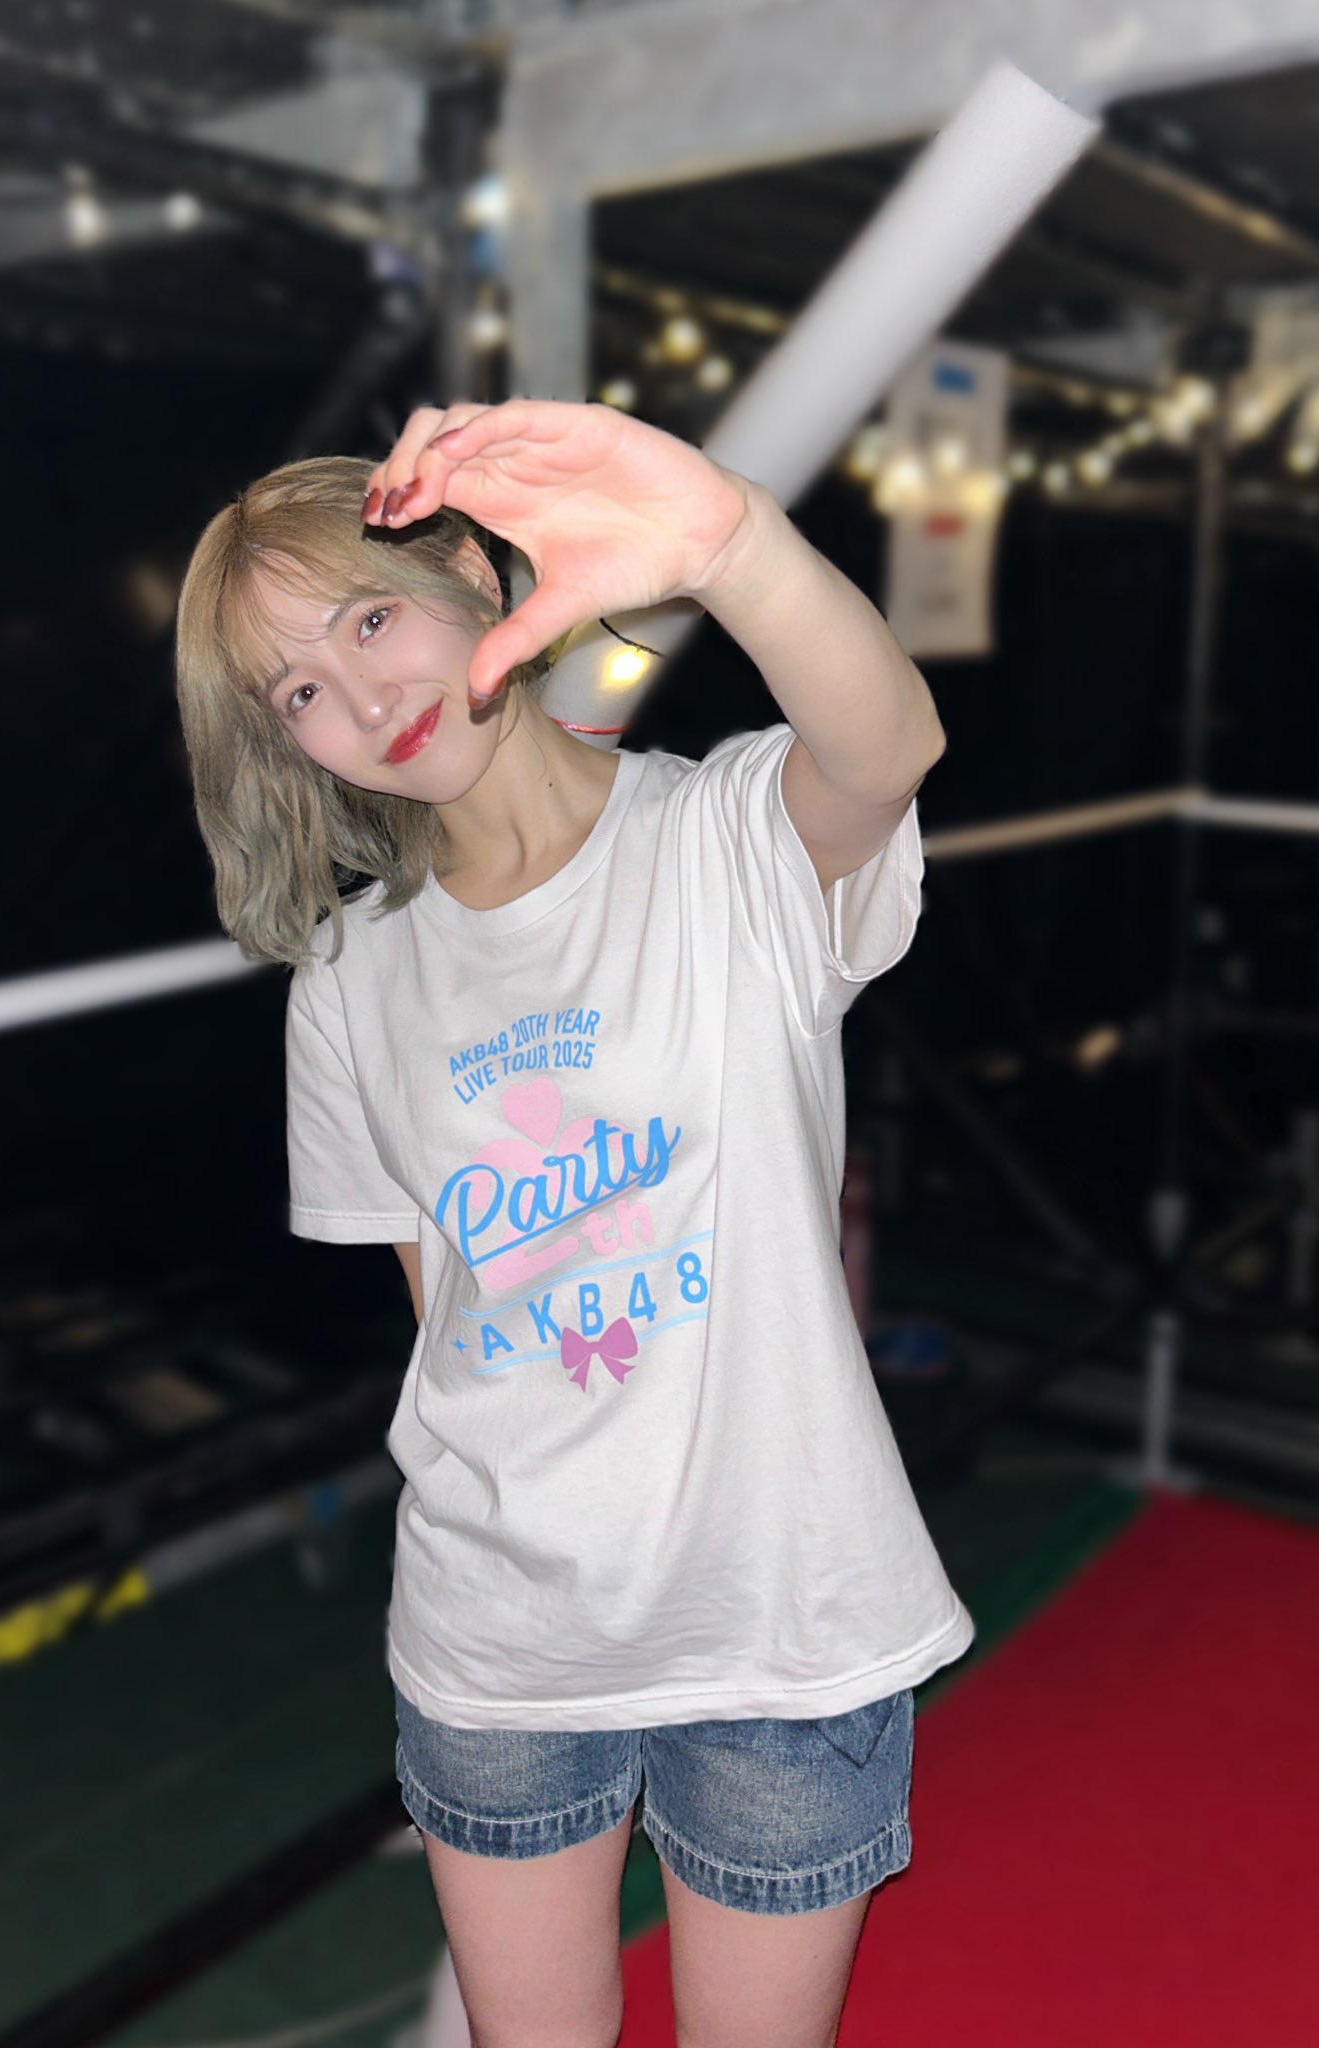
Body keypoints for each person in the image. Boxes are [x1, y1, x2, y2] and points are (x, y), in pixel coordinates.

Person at [175, 399, 974, 2048]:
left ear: (476, 573)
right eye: (297, 690)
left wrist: (728, 541)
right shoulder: (349, 979)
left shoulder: (726, 840)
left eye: (369, 620)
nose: (362, 701)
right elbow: (458, 1325)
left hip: (781, 1620)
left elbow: (887, 747)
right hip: (498, 1640)